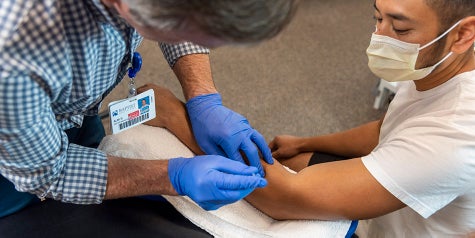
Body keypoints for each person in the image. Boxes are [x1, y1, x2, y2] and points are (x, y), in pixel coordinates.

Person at [139, 0, 475, 236]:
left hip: (398, 231)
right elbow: (389, 128)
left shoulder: (453, 133)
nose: (380, 38)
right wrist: (307, 142)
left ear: (461, 35)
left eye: (399, 28)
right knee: (295, 158)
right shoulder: (440, 68)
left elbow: (286, 199)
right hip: (392, 205)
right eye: (377, 18)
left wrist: (176, 116)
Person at [0, 0, 297, 220]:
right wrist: (173, 176)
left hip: (74, 110)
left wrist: (203, 96)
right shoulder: (15, 51)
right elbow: (49, 173)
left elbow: (187, 15)